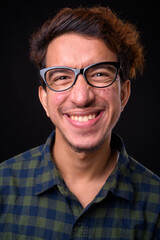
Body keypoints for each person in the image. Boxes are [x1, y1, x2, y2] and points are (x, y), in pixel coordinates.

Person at [0, 6, 160, 240]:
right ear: (44, 100)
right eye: (62, 77)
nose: (81, 97)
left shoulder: (156, 204)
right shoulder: (2, 187)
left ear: (123, 94)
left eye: (99, 74)